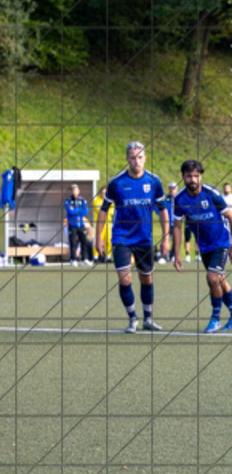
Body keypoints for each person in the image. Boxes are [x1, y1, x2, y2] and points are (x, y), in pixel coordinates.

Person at [96, 141, 170, 333]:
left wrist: (166, 238)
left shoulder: (154, 182)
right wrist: (98, 238)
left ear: (145, 159)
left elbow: (163, 211)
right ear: (127, 159)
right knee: (125, 278)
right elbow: (103, 210)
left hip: (144, 238)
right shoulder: (116, 183)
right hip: (122, 237)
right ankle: (132, 318)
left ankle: (148, 318)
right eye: (132, 158)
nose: (136, 161)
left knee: (146, 279)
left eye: (139, 157)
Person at [173, 160, 232, 333]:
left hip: (221, 242)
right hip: (204, 246)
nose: (192, 179)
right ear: (183, 177)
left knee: (212, 278)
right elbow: (177, 227)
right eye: (189, 176)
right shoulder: (180, 199)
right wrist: (177, 254)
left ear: (201, 176)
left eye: (196, 176)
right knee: (220, 280)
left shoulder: (211, 194)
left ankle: (215, 318)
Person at [63, 183, 93, 267]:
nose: (74, 191)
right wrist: (80, 210)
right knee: (73, 242)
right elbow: (71, 212)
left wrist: (76, 210)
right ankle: (73, 259)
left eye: (76, 189)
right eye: (73, 190)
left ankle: (84, 259)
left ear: (79, 191)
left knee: (84, 241)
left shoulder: (83, 200)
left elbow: (86, 211)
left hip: (81, 224)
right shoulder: (68, 200)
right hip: (72, 224)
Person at [157, 181, 179, 264]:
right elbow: (160, 209)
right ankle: (163, 256)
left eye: (174, 188)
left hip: (176, 223)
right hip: (167, 223)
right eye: (171, 188)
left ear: (176, 189)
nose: (172, 190)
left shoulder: (179, 199)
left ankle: (173, 255)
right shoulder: (166, 199)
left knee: (176, 240)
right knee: (165, 239)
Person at [92, 186, 113, 262]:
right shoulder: (96, 201)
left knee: (109, 240)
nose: (104, 194)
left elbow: (112, 211)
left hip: (108, 224)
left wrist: (105, 212)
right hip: (99, 224)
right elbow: (99, 211)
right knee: (98, 239)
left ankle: (108, 256)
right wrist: (105, 212)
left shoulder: (110, 201)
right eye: (102, 193)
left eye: (105, 193)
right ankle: (96, 256)